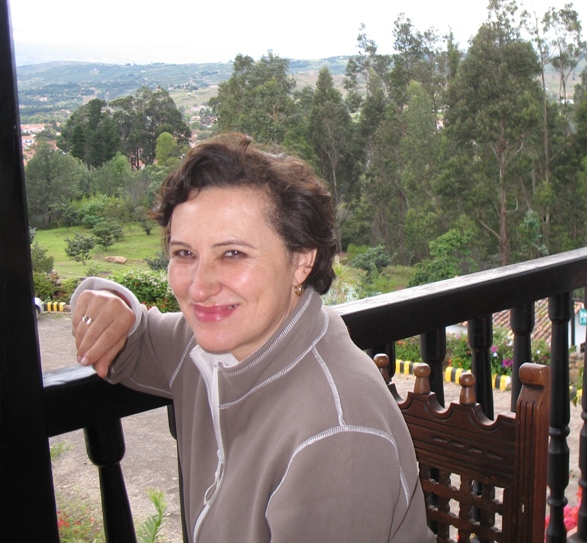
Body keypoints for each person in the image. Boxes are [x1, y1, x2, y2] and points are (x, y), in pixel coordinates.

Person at [71, 134, 434, 543]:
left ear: (301, 260)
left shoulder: (336, 433)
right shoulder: (206, 345)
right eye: (184, 254)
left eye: (233, 254)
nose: (200, 287)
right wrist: (104, 295)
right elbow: (129, 341)